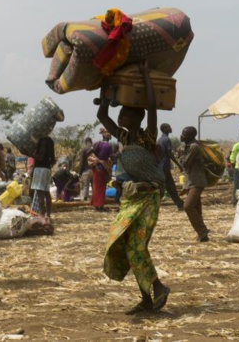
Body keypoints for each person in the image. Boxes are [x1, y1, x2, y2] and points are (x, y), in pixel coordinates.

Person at [98, 59, 170, 314]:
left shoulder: (147, 136)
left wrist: (146, 75)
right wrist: (104, 90)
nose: (120, 116)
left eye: (125, 112)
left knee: (138, 246)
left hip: (149, 196)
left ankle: (158, 287)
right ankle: (147, 298)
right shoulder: (124, 137)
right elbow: (101, 116)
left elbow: (151, 106)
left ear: (136, 116)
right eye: (121, 113)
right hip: (130, 199)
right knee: (125, 244)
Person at [180, 126, 209, 242]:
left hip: (196, 181)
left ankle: (202, 230)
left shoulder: (193, 147)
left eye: (184, 133)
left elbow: (185, 163)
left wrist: (181, 155)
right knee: (196, 209)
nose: (181, 135)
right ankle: (203, 235)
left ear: (190, 136)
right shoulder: (188, 146)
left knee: (188, 206)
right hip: (190, 181)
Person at [157, 123, 185, 211]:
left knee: (170, 187)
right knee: (161, 188)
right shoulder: (166, 139)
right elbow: (170, 154)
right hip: (164, 166)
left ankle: (180, 204)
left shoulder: (160, 139)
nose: (171, 128)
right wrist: (179, 165)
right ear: (165, 129)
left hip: (162, 166)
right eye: (169, 127)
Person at [31, 134, 56, 218]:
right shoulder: (50, 141)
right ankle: (48, 215)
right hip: (47, 169)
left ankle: (41, 215)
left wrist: (31, 154)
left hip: (39, 169)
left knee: (39, 192)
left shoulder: (41, 140)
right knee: (46, 192)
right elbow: (53, 159)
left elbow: (40, 157)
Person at [89, 128, 113, 211]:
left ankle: (96, 205)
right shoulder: (109, 146)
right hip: (103, 168)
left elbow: (90, 151)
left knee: (96, 186)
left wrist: (95, 159)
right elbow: (111, 157)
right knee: (102, 187)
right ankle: (100, 205)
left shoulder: (97, 144)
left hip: (96, 167)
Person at [229, 133, 239, 206]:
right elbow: (233, 155)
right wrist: (232, 163)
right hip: (238, 168)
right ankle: (236, 201)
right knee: (238, 185)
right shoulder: (237, 145)